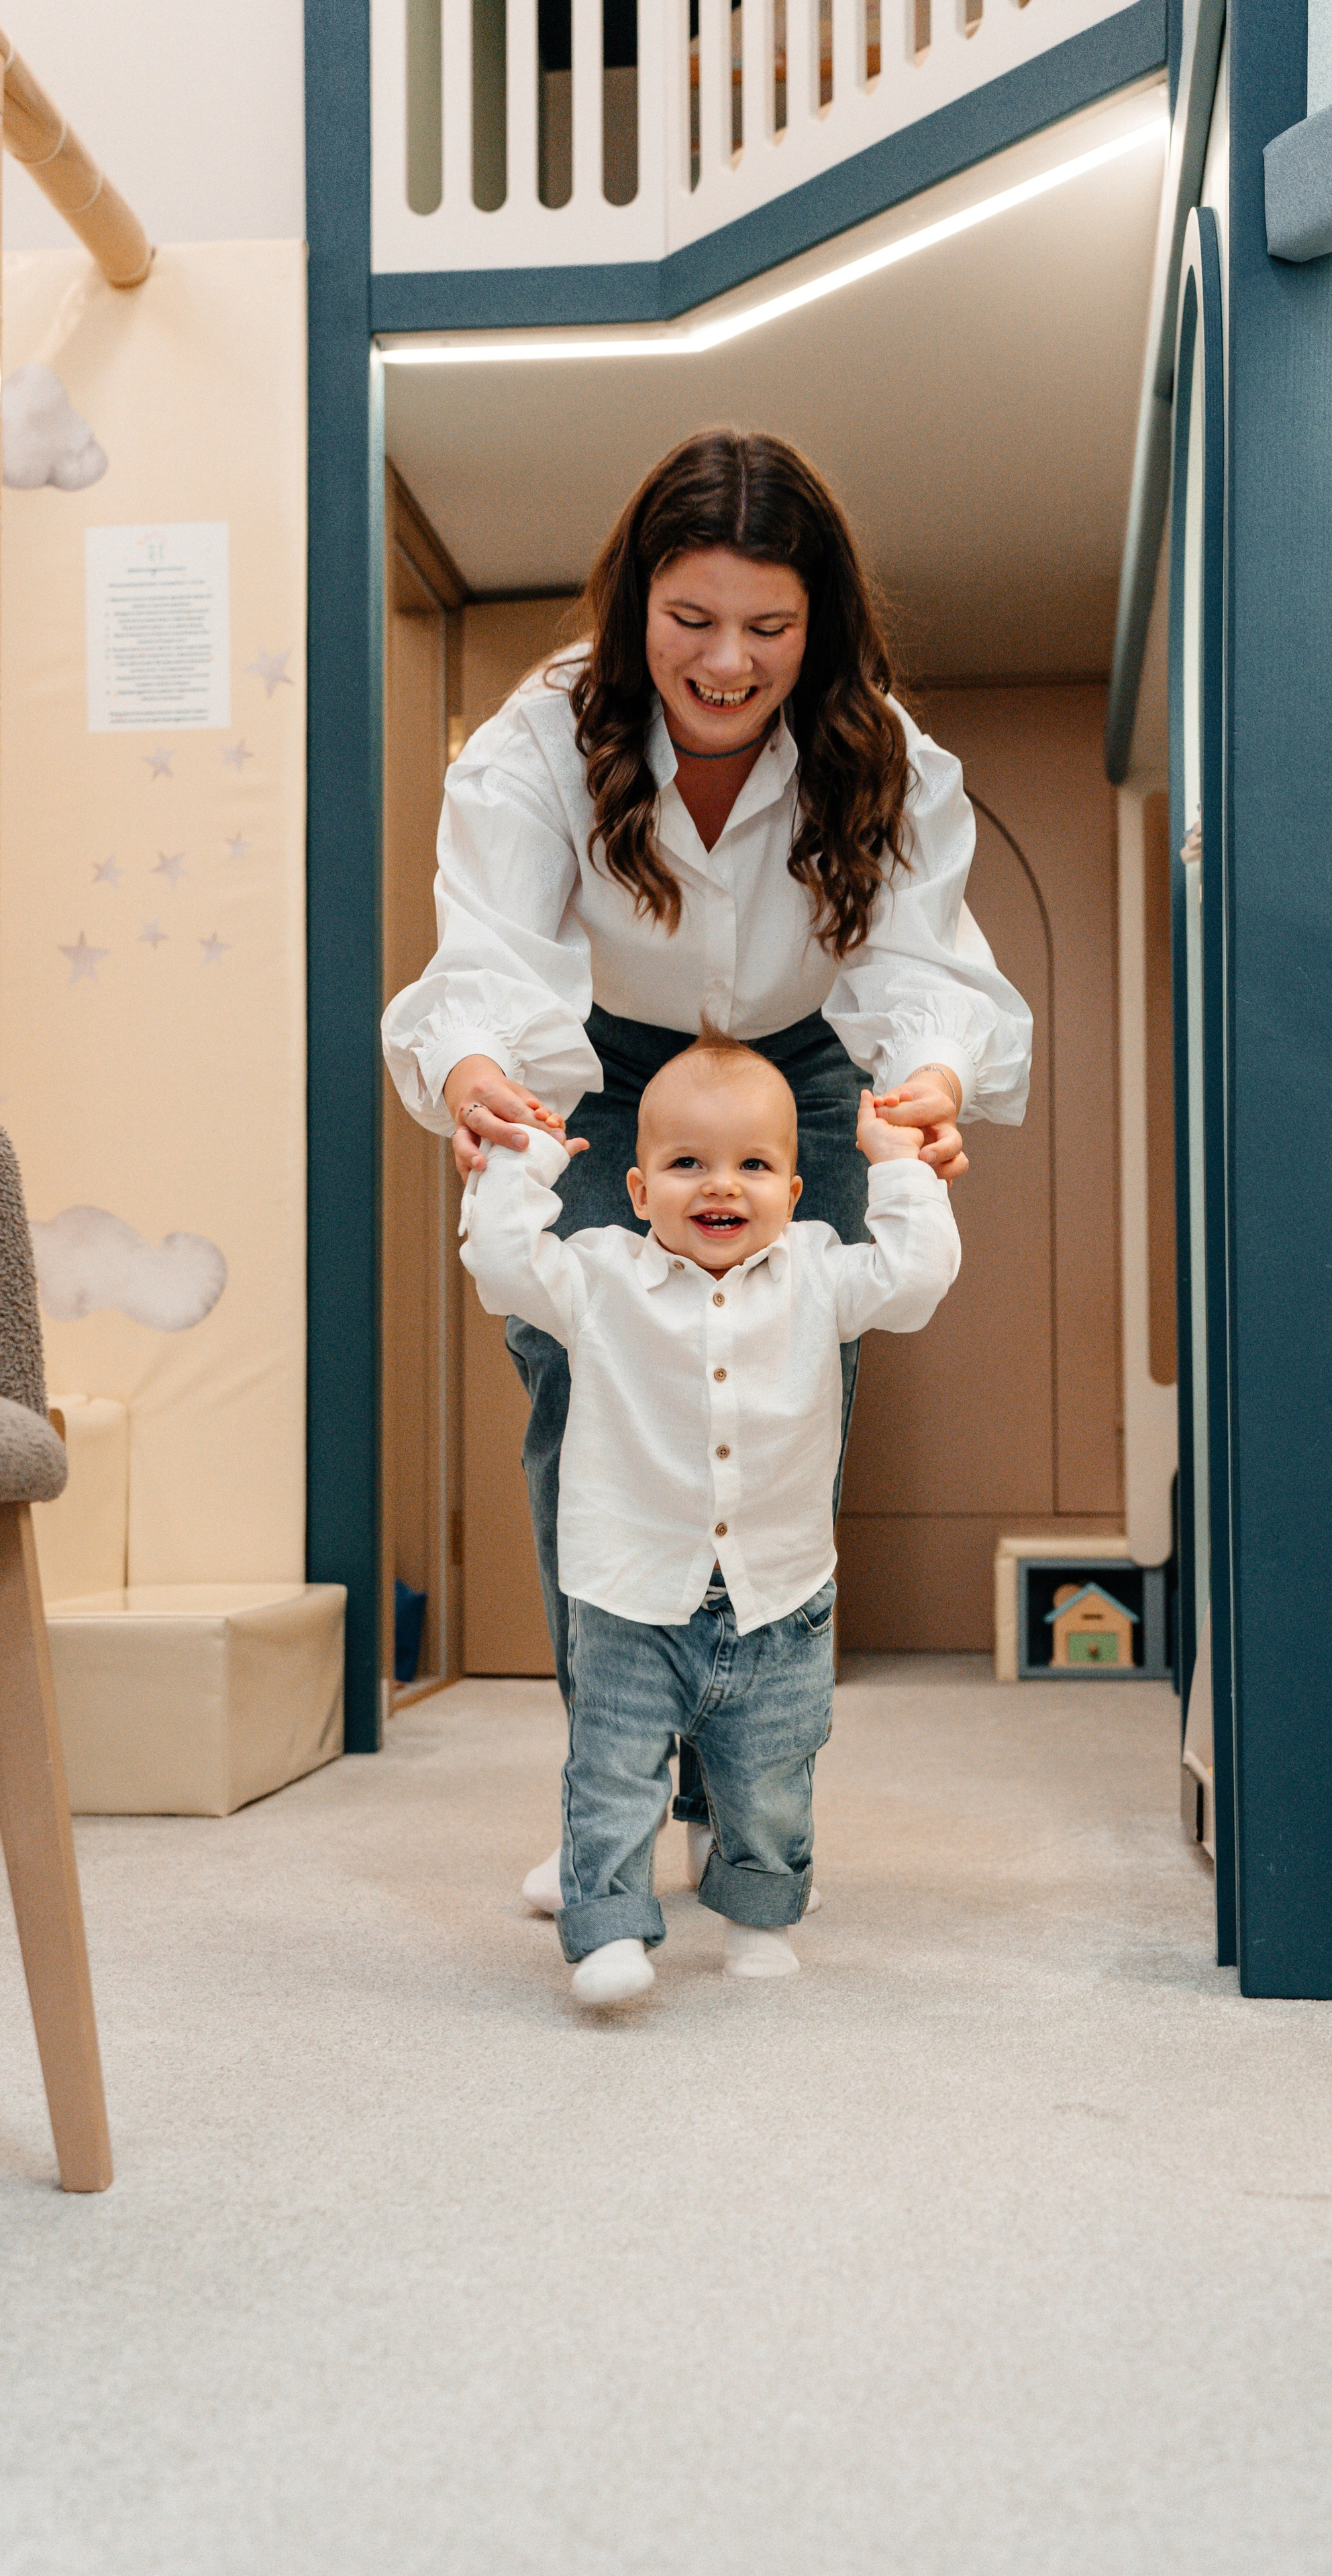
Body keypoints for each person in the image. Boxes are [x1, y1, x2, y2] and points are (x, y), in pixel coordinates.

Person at [381, 427, 1032, 1895]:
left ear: (821, 622)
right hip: (599, 1066)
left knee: (789, 1391)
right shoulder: (540, 740)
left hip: (807, 1068)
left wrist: (929, 1080)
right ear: (635, 605)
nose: (727, 663)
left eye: (768, 627)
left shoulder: (880, 753)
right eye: (690, 619)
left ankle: (736, 1784)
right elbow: (489, 954)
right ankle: (610, 1790)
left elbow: (921, 965)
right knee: (584, 1395)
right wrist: (476, 1066)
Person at [459, 1026, 960, 2004]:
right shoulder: (598, 1274)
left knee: (770, 1777)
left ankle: (759, 1916)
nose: (720, 1185)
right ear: (639, 1190)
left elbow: (916, 1282)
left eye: (753, 1166)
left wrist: (899, 1167)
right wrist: (527, 1166)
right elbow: (501, 1269)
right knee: (612, 1771)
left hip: (778, 1593)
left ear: (795, 1191)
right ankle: (607, 1929)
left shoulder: (821, 1271)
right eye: (687, 1164)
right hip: (630, 1591)